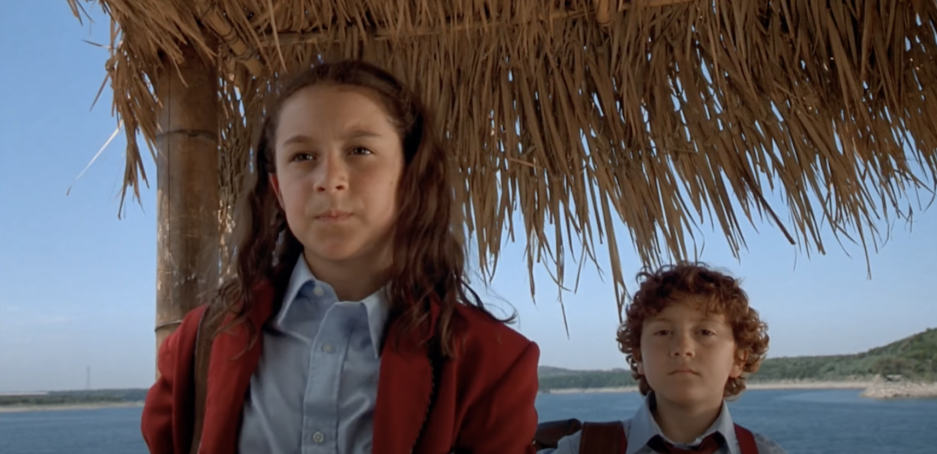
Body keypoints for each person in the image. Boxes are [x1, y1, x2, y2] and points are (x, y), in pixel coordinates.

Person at [141, 59, 540, 454]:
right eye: (302, 156)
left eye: (359, 150)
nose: (330, 179)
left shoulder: (491, 363)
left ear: (409, 177)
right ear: (279, 191)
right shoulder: (198, 344)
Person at [538, 263, 786, 454]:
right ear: (639, 356)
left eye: (705, 332)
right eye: (663, 332)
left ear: (739, 359)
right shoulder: (583, 448)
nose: (682, 348)